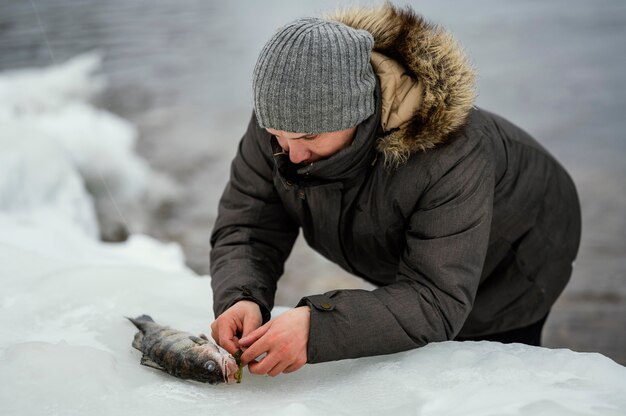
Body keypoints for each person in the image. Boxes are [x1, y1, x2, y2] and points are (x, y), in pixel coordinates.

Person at [209, 3, 581, 377]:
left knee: (483, 374)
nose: (292, 153)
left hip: (520, 254)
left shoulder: (452, 155)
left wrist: (319, 327)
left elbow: (437, 298)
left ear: (357, 113)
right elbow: (249, 225)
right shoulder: (282, 120)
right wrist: (242, 295)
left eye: (309, 137)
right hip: (432, 257)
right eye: (278, 136)